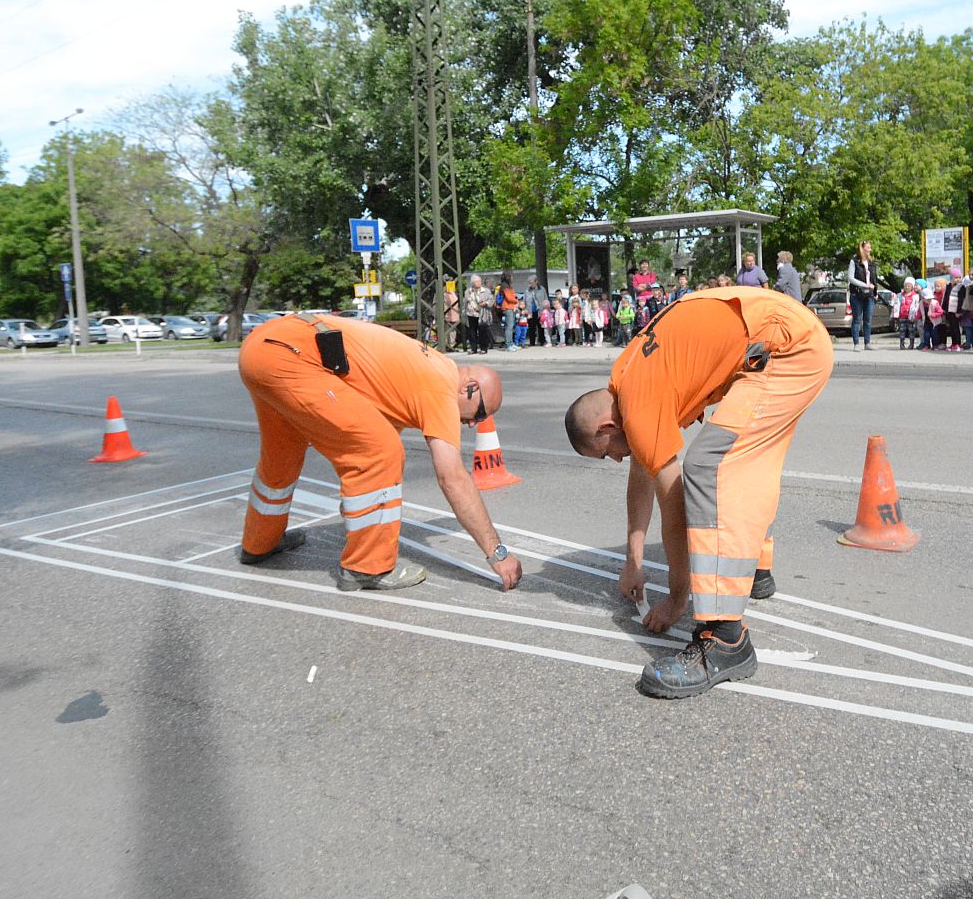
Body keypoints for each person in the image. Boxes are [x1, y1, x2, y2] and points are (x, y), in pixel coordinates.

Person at [564, 286, 833, 698]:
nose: (616, 461)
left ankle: (724, 640)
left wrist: (676, 599)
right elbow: (644, 471)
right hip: (782, 337)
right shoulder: (627, 379)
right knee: (747, 460)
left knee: (710, 464)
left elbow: (673, 507)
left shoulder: (635, 402)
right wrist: (634, 560)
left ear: (606, 427)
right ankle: (754, 570)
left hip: (787, 348)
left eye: (606, 454)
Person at [237, 313, 522, 592]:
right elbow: (453, 479)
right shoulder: (441, 388)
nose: (474, 423)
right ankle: (366, 567)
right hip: (291, 356)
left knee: (282, 455)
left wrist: (357, 504)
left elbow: (367, 439)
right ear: (469, 389)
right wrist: (498, 554)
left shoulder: (423, 371)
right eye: (480, 413)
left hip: (262, 348)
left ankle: (260, 543)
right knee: (380, 451)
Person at [847, 239, 878, 351]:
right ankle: (856, 344)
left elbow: (874, 279)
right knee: (857, 319)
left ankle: (867, 343)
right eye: (868, 248)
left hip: (869, 295)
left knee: (868, 319)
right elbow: (850, 278)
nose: (870, 250)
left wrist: (875, 292)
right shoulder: (854, 261)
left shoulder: (871, 263)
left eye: (870, 248)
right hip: (857, 293)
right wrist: (865, 284)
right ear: (863, 249)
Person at [463, 276, 491, 354]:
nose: (479, 283)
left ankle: (483, 348)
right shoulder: (468, 291)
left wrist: (486, 303)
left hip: (482, 314)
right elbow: (465, 302)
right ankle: (473, 348)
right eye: (477, 281)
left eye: (479, 281)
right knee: (472, 331)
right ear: (472, 283)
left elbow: (491, 300)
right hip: (471, 313)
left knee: (483, 331)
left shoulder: (486, 291)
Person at [895, 278, 922, 349]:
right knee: (902, 330)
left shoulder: (915, 296)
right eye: (906, 285)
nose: (907, 287)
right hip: (902, 316)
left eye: (909, 286)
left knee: (911, 330)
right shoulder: (900, 295)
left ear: (912, 287)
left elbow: (916, 306)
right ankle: (902, 344)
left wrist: (915, 315)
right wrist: (896, 314)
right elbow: (897, 305)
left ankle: (911, 344)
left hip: (911, 316)